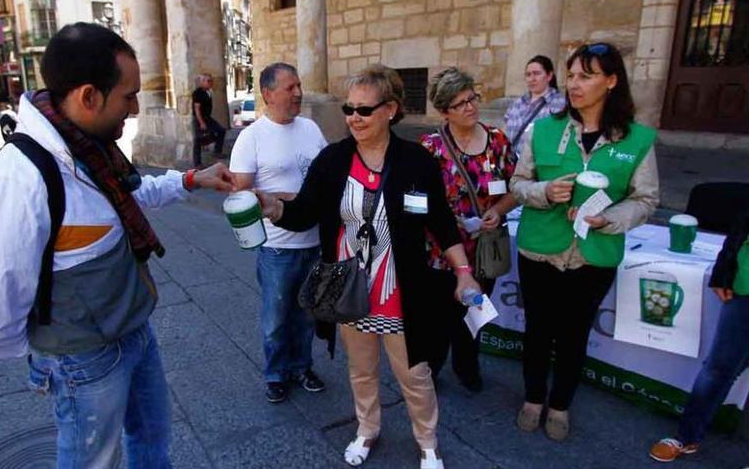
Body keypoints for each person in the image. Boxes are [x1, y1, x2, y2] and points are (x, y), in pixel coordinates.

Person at [0, 22, 236, 468]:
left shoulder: (90, 150)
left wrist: (190, 180)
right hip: (81, 360)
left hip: (134, 332)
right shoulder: (20, 179)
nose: (134, 108)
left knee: (151, 440)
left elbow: (127, 201)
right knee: (92, 461)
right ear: (89, 97)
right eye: (128, 96)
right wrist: (48, 353)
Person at [256, 64, 481, 469]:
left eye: (364, 110)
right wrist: (273, 206)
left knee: (415, 374)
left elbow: (442, 224)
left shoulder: (416, 162)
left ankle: (427, 442)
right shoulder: (333, 159)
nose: (353, 118)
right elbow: (305, 210)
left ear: (391, 109)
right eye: (349, 109)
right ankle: (367, 429)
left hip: (400, 289)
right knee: (361, 371)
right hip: (350, 289)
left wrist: (463, 272)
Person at [510, 42, 660, 441]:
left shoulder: (637, 140)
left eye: (586, 76)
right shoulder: (544, 129)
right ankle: (533, 398)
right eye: (572, 75)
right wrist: (544, 191)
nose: (575, 84)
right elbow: (518, 183)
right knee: (539, 330)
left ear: (611, 82)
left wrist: (608, 219)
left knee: (574, 335)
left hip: (594, 256)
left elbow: (646, 199)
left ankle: (560, 405)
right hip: (540, 249)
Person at [230, 62, 329, 403]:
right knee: (276, 318)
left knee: (306, 314)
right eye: (290, 88)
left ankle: (302, 367)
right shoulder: (251, 137)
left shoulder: (312, 129)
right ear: (269, 94)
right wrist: (289, 199)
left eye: (299, 85)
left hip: (313, 241)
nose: (299, 93)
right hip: (276, 247)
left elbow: (325, 176)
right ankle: (275, 373)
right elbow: (241, 193)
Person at [420, 67, 518, 392]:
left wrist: (498, 211)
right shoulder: (430, 148)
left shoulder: (497, 141)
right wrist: (444, 219)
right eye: (460, 103)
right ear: (444, 111)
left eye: (472, 98)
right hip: (442, 251)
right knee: (437, 318)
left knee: (473, 314)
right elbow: (416, 203)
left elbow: (516, 188)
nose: (470, 107)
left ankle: (466, 365)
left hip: (484, 250)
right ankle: (431, 368)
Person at [649, 208, 749, 462]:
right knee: (719, 367)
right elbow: (742, 226)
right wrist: (723, 271)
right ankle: (687, 437)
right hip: (745, 290)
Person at [504, 55, 567, 156]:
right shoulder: (516, 104)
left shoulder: (561, 104)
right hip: (513, 164)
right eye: (528, 75)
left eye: (537, 74)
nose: (532, 79)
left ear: (549, 76)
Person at [191, 73, 226, 167]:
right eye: (208, 81)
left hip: (208, 118)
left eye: (211, 81)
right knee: (197, 141)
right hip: (199, 119)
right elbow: (197, 109)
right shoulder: (197, 93)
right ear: (202, 82)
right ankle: (197, 163)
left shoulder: (209, 91)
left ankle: (217, 151)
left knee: (221, 131)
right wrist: (201, 122)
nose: (211, 83)